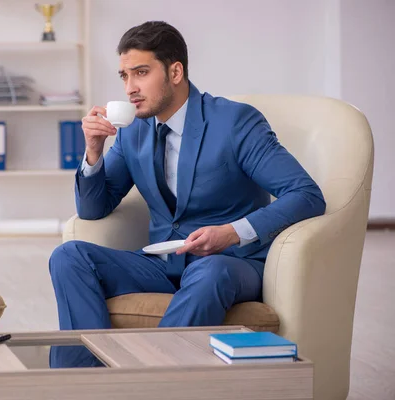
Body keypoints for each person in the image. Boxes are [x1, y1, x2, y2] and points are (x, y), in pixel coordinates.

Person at [48, 21, 326, 368]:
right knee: (68, 256)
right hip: (161, 262)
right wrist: (93, 151)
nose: (130, 88)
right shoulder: (133, 132)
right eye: (124, 76)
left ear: (175, 71)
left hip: (229, 263)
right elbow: (93, 209)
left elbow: (306, 194)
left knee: (210, 273)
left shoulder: (235, 122)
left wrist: (232, 232)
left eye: (141, 72)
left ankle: (146, 381)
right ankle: (83, 383)